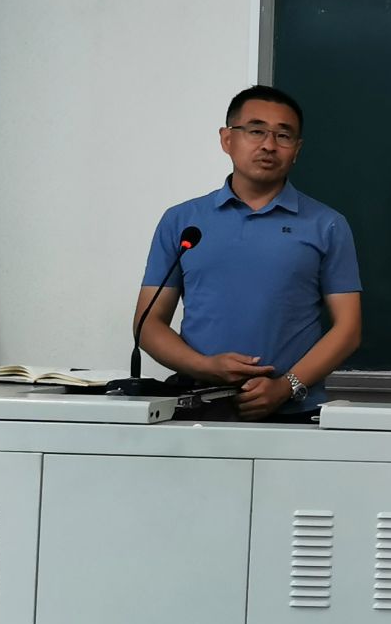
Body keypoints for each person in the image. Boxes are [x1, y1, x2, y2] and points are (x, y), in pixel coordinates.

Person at [133, 86, 362, 419]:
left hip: (293, 413)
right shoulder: (182, 221)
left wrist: (286, 386)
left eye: (283, 135)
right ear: (227, 139)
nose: (269, 145)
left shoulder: (327, 225)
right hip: (197, 407)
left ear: (296, 149)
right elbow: (148, 323)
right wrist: (206, 367)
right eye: (256, 131)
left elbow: (348, 329)